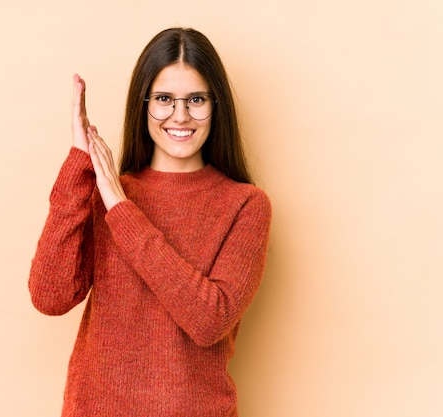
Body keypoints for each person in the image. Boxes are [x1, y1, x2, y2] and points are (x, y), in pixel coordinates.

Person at [29, 27, 272, 417]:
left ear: (216, 105)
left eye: (196, 100)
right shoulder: (108, 193)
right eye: (163, 99)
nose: (180, 116)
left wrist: (121, 209)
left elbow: (209, 321)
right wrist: (80, 161)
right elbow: (50, 295)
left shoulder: (245, 205)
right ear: (143, 104)